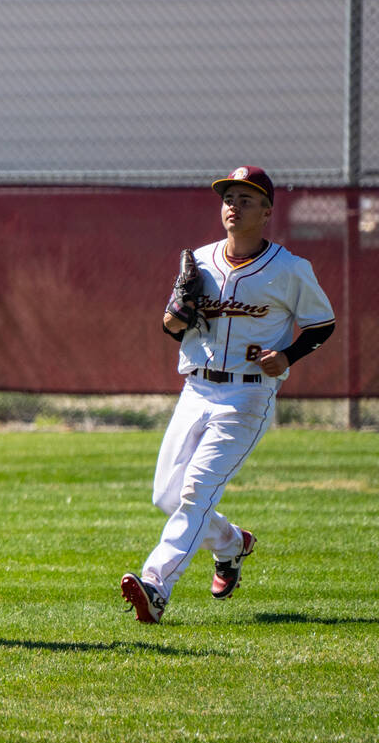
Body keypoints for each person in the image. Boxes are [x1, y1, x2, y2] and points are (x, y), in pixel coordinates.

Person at [121, 166, 335, 623]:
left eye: (245, 198)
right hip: (195, 388)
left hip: (247, 397)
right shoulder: (199, 260)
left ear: (267, 212)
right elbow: (171, 324)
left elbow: (322, 323)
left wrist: (290, 355)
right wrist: (176, 316)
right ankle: (231, 543)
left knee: (196, 491)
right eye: (228, 198)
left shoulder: (290, 269)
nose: (233, 206)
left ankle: (156, 586)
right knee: (167, 495)